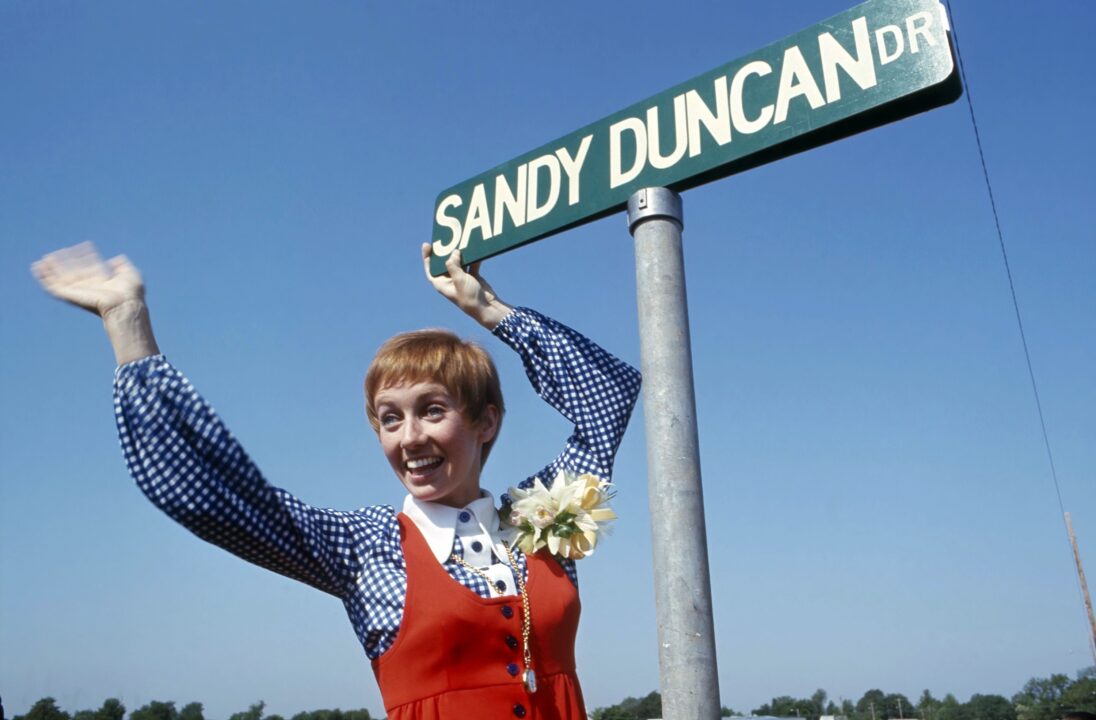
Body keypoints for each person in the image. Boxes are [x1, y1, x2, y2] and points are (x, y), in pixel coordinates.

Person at [32, 241, 641, 720]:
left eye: (432, 410)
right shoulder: (362, 545)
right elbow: (207, 491)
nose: (410, 439)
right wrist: (127, 325)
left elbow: (608, 396)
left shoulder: (539, 517)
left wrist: (490, 311)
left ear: (486, 421)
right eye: (389, 419)